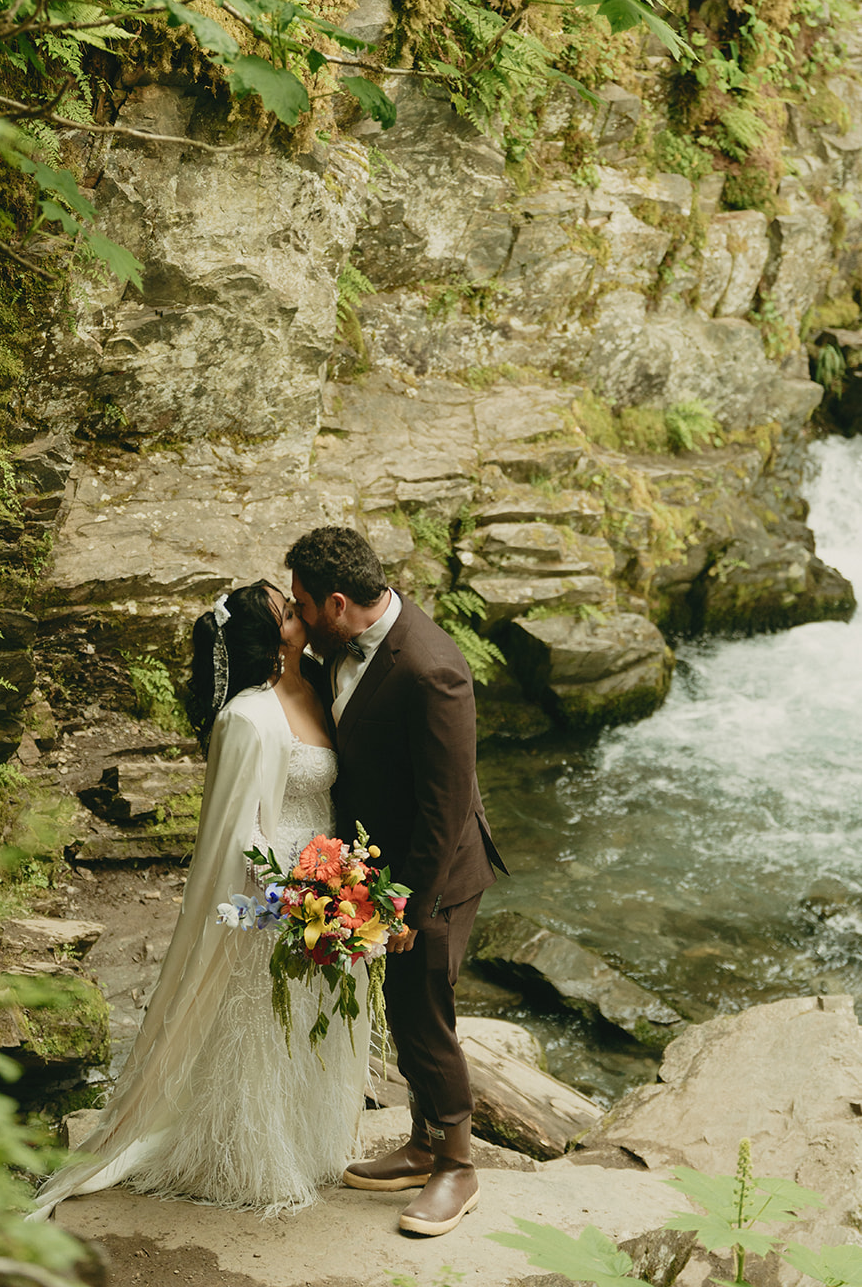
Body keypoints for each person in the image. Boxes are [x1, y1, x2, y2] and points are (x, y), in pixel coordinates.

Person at [29, 581, 369, 1220]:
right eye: (286, 608)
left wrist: (344, 881)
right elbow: (238, 833)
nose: (300, 610)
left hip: (333, 881)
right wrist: (291, 892)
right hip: (279, 896)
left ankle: (309, 1140)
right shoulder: (247, 716)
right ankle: (253, 1156)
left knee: (314, 1018)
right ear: (268, 636)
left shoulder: (321, 686)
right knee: (265, 1026)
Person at [285, 527, 507, 1238]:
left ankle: (457, 1169)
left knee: (423, 1017)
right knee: (403, 1009)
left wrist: (406, 902)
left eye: (302, 605)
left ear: (339, 601)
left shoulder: (432, 668)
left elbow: (443, 807)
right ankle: (419, 1146)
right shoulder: (338, 643)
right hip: (382, 866)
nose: (297, 616)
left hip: (433, 875)